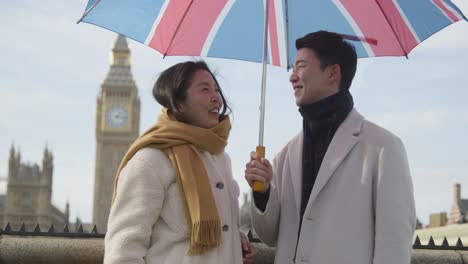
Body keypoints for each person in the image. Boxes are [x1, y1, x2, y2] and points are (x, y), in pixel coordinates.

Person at [245, 31, 416, 264]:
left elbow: (394, 243)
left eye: (301, 66)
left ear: (333, 73)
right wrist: (262, 191)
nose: (292, 77)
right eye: (292, 68)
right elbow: (270, 235)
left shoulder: (383, 147)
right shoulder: (285, 155)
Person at [105, 61, 256, 264]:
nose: (216, 98)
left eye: (217, 90)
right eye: (205, 90)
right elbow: (123, 251)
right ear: (179, 102)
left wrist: (234, 241)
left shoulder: (220, 158)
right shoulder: (152, 159)